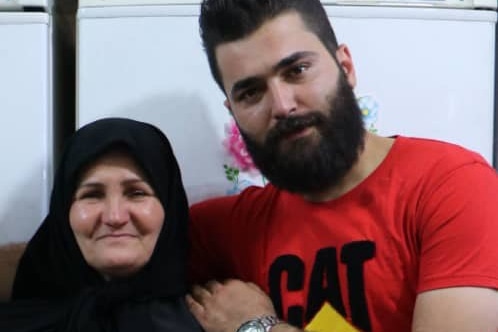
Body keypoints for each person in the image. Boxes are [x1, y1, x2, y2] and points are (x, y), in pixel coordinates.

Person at [185, 1, 498, 331]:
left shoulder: (451, 186)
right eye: (250, 93)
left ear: (345, 67)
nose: (282, 105)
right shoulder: (235, 228)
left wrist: (260, 327)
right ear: (232, 111)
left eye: (297, 71)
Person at [1, 118, 203, 332]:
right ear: (63, 211)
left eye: (136, 193)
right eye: (92, 195)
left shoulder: (218, 320)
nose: (115, 217)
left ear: (169, 206)